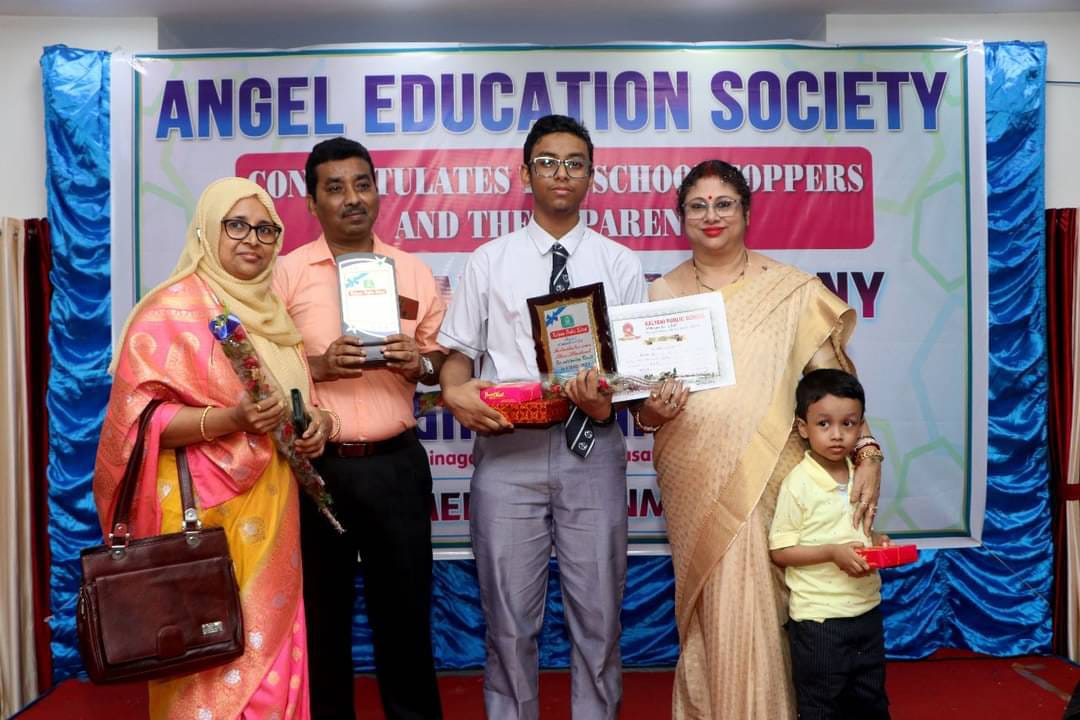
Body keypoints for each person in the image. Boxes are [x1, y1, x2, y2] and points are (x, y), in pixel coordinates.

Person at [636, 159, 883, 719]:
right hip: (692, 471)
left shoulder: (790, 290)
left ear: (747, 212)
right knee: (714, 608)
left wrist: (868, 449)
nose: (712, 215)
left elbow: (830, 389)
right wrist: (652, 411)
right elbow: (646, 411)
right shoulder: (661, 294)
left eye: (724, 203)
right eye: (697, 206)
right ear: (682, 218)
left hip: (773, 472)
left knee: (771, 601)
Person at [93, 177, 332, 719]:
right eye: (237, 225)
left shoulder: (274, 315)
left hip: (274, 507)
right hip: (200, 514)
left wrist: (318, 423)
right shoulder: (168, 310)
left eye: (266, 229)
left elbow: (302, 400)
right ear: (207, 231)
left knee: (269, 652)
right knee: (204, 649)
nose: (253, 239)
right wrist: (231, 419)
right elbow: (135, 423)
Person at [437, 114, 647, 720]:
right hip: (508, 453)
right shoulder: (488, 261)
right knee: (507, 622)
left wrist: (612, 398)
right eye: (549, 162)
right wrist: (455, 394)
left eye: (574, 163)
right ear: (526, 173)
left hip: (594, 449)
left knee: (599, 620)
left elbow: (636, 374)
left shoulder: (620, 263)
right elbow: (455, 360)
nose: (562, 173)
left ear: (590, 175)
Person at [273, 137, 446, 720]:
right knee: (322, 620)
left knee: (405, 618)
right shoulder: (286, 275)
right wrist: (318, 366)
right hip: (318, 470)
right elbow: (261, 369)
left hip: (396, 465)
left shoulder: (414, 271)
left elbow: (440, 363)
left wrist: (416, 363)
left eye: (362, 184)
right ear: (311, 201)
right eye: (336, 188)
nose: (352, 199)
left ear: (378, 191)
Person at [769, 368, 892, 720]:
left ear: (861, 426)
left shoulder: (859, 476)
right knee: (822, 706)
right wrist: (830, 553)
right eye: (824, 424)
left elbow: (856, 532)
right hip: (819, 622)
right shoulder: (799, 484)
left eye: (848, 424)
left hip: (866, 612)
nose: (837, 435)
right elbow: (780, 552)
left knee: (871, 702)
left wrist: (876, 541)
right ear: (802, 428)